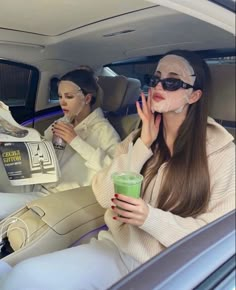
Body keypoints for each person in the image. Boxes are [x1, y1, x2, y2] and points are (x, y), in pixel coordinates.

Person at [0, 50, 235, 290]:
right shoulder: (138, 137)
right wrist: (142, 145)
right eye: (155, 79)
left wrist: (150, 218)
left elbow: (219, 234)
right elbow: (103, 195)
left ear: (194, 95)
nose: (158, 86)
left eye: (172, 81)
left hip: (174, 263)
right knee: (25, 276)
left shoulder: (221, 152)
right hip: (117, 248)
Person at [0, 69, 120, 219]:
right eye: (60, 96)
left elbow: (115, 173)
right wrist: (12, 140)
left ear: (87, 98)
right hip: (39, 180)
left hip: (57, 195)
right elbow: (41, 146)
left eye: (69, 96)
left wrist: (76, 141)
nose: (62, 102)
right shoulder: (62, 121)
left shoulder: (104, 130)